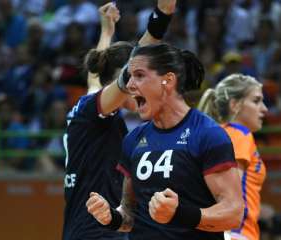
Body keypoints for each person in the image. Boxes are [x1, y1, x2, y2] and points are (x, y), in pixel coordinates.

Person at [86, 43, 244, 239]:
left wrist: (180, 214)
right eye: (130, 76)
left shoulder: (207, 134)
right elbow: (130, 215)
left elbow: (234, 213)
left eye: (140, 75)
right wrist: (111, 217)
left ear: (168, 80)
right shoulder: (133, 140)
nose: (129, 85)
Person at [62, 1, 176, 240]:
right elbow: (120, 76)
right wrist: (161, 17)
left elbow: (96, 78)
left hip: (90, 230)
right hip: (96, 234)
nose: (139, 86)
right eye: (137, 77)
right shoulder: (93, 112)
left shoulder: (92, 107)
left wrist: (107, 31)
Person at [198, 74, 268, 240]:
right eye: (256, 101)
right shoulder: (238, 134)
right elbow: (228, 195)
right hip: (236, 233)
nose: (264, 108)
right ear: (234, 105)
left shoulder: (217, 134)